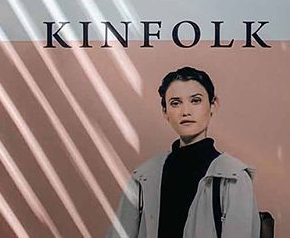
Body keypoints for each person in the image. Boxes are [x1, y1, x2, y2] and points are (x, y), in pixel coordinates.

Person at [105, 66, 260, 238]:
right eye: (175, 103)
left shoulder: (233, 177)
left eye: (195, 100)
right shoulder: (144, 176)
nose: (186, 112)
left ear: (213, 105)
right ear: (165, 111)